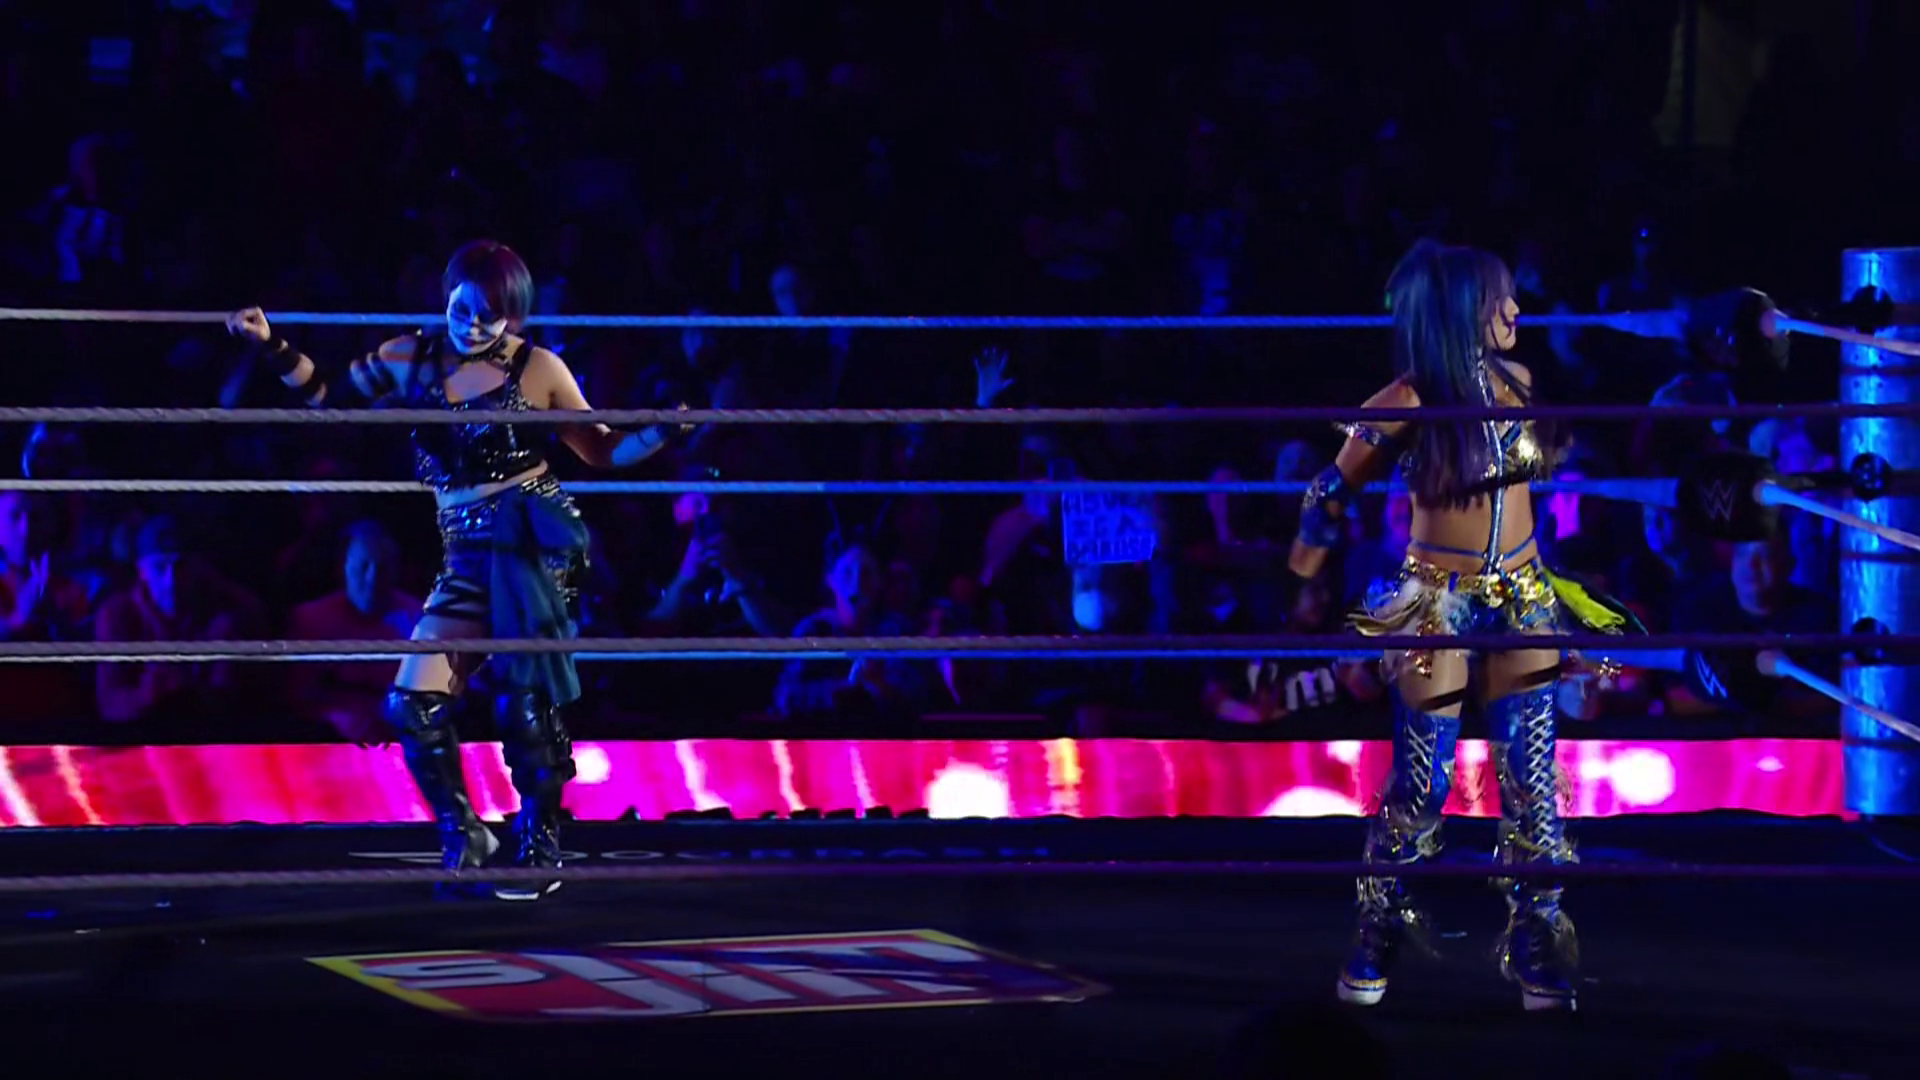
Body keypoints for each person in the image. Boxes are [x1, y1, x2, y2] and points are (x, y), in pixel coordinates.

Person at [227, 240, 680, 900]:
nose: (472, 324)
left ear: (514, 315)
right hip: (464, 550)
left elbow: (600, 450)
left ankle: (540, 839)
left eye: (489, 315)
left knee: (525, 697)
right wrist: (270, 344)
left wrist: (660, 433)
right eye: (462, 309)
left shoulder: (538, 368)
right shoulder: (407, 357)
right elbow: (326, 396)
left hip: (531, 541)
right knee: (412, 701)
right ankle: (464, 831)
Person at [1289, 239, 1637, 1012]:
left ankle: (1539, 931)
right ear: (1459, 311)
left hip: (1523, 592)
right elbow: (1329, 489)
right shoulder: (1406, 400)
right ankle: (1379, 921)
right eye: (1498, 298)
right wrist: (1301, 575)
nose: (1514, 309)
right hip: (1434, 599)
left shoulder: (1522, 383)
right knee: (1423, 779)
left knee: (1533, 778)